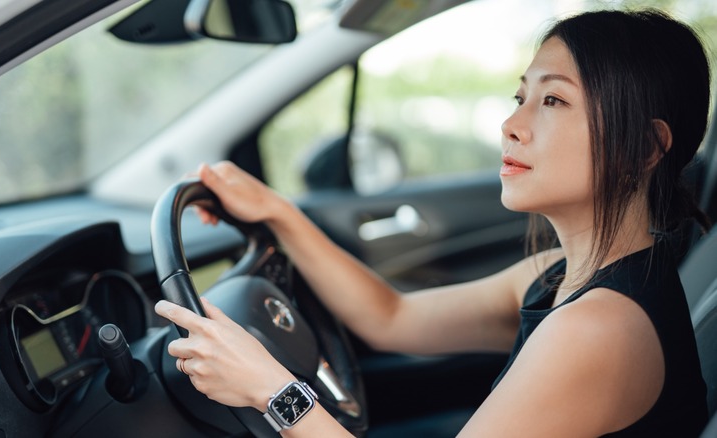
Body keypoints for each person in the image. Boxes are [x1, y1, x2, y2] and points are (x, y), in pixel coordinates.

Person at [154, 8, 712, 437]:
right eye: (521, 96)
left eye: (555, 102)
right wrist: (279, 212)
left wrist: (269, 388)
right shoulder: (559, 275)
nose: (511, 124)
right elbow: (391, 318)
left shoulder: (600, 330)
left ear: (643, 148)